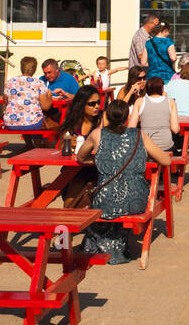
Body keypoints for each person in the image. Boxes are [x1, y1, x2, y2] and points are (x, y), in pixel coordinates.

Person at [76, 99, 171, 268]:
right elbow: (166, 160)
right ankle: (116, 245)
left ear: (107, 117)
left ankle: (98, 244)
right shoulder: (138, 135)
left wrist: (100, 159)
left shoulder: (97, 134)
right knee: (123, 200)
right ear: (127, 118)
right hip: (135, 200)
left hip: (104, 202)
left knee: (94, 196)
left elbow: (80, 157)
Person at [53, 86, 104, 206]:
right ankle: (69, 220)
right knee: (76, 182)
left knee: (80, 185)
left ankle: (68, 220)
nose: (96, 106)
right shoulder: (72, 123)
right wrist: (68, 142)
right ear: (81, 105)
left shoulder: (102, 120)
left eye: (98, 102)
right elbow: (60, 148)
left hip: (95, 168)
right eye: (91, 104)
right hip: (74, 169)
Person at [4, 56, 54, 147]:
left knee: (27, 115)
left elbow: (6, 101)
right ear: (34, 69)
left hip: (10, 122)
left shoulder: (10, 82)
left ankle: (29, 145)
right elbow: (45, 107)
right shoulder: (38, 83)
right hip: (32, 123)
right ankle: (44, 147)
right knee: (41, 119)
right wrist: (49, 95)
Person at [133, 76, 180, 155]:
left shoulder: (139, 102)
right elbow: (175, 129)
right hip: (166, 147)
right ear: (162, 88)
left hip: (145, 147)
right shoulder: (170, 102)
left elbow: (131, 128)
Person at [145, 20, 178, 84]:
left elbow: (143, 62)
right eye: (168, 31)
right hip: (166, 76)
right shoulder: (168, 41)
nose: (168, 34)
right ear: (165, 30)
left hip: (152, 77)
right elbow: (173, 58)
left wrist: (154, 64)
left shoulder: (148, 42)